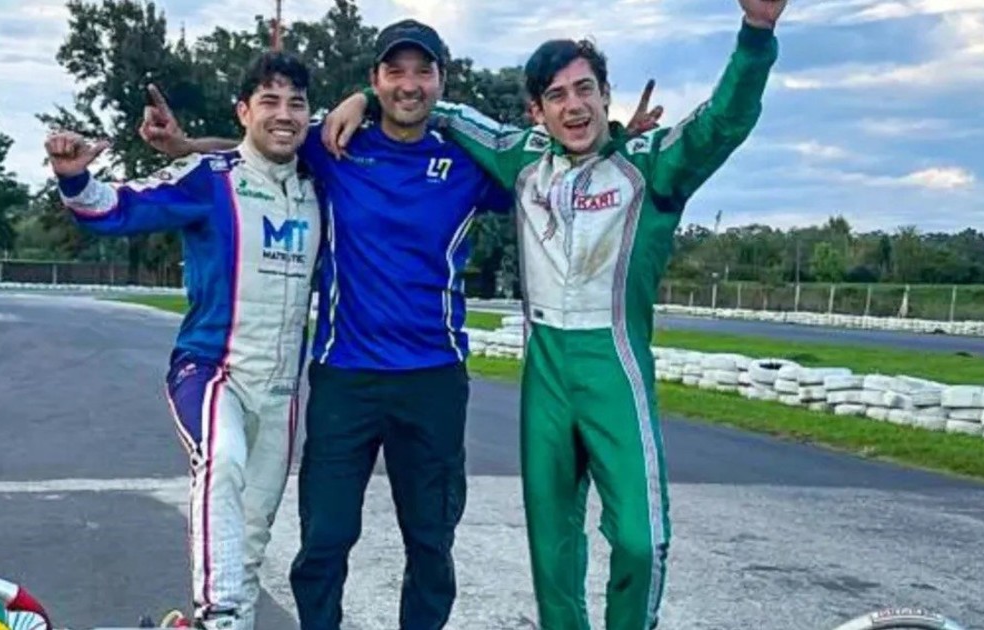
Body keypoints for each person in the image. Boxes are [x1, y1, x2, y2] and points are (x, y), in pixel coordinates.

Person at [139, 20, 661, 630]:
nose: (409, 85)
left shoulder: (469, 162)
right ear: (375, 79)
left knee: (431, 545)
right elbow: (259, 144)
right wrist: (184, 147)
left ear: (441, 80)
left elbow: (557, 161)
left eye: (422, 71)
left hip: (433, 380)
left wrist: (615, 140)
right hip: (345, 378)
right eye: (395, 72)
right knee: (325, 542)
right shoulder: (335, 144)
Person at [323, 2, 785, 628]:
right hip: (543, 369)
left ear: (605, 96)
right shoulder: (522, 159)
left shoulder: (650, 165)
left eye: (585, 90)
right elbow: (440, 109)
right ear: (536, 111)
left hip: (614, 366)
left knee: (641, 539)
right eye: (557, 95)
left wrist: (756, 34)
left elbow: (723, 121)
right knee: (552, 551)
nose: (574, 106)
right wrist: (360, 98)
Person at [45, 51, 324, 630]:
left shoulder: (323, 182)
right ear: (243, 111)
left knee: (251, 533)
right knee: (222, 463)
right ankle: (217, 620)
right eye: (269, 101)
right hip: (213, 371)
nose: (284, 114)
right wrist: (74, 177)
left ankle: (228, 622)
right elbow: (118, 208)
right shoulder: (209, 178)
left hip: (281, 391)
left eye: (296, 103)